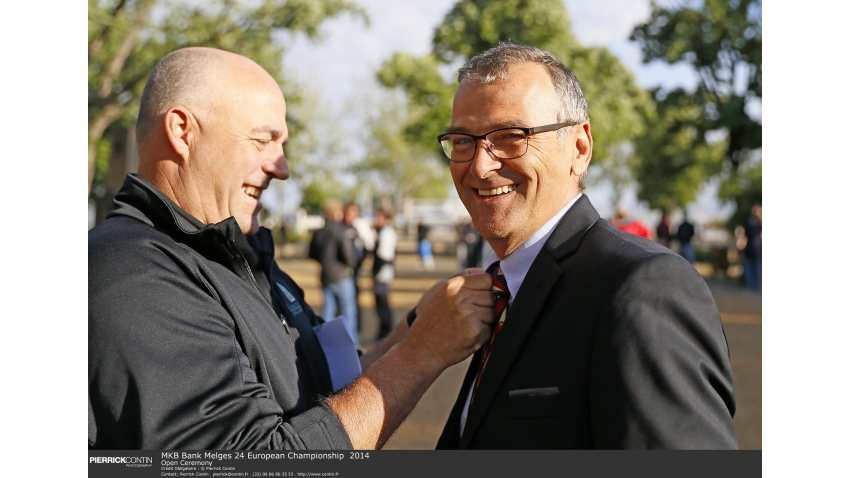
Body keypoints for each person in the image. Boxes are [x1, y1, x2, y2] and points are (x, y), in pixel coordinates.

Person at [88, 47, 496, 450]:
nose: (281, 168)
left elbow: (334, 386)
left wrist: (416, 326)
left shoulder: (238, 256)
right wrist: (422, 353)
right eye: (263, 140)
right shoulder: (133, 274)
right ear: (182, 131)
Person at [434, 43, 737, 449]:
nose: (480, 166)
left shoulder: (643, 288)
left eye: (510, 136)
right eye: (462, 141)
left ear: (579, 148)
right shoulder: (500, 291)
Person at [309, 199, 359, 342]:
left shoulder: (318, 233)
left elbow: (312, 254)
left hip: (325, 276)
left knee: (327, 313)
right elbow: (349, 255)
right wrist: (351, 268)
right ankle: (352, 343)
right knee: (348, 312)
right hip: (342, 276)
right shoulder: (340, 231)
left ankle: (326, 343)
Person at [343, 202, 373, 333]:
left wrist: (358, 265)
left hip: (354, 272)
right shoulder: (341, 228)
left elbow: (368, 247)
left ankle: (356, 331)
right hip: (342, 273)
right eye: (347, 213)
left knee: (354, 301)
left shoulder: (360, 228)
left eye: (352, 213)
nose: (349, 216)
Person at [371, 208, 398, 340]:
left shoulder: (387, 232)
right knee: (381, 302)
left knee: (382, 302)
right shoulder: (383, 231)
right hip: (382, 270)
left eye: (378, 217)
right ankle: (384, 331)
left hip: (383, 272)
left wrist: (377, 273)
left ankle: (386, 332)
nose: (376, 220)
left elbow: (384, 256)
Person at [742, 204, 762, 291]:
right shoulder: (751, 222)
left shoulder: (759, 222)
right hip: (751, 249)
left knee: (757, 268)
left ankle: (756, 285)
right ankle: (749, 285)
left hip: (758, 250)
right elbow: (749, 233)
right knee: (750, 267)